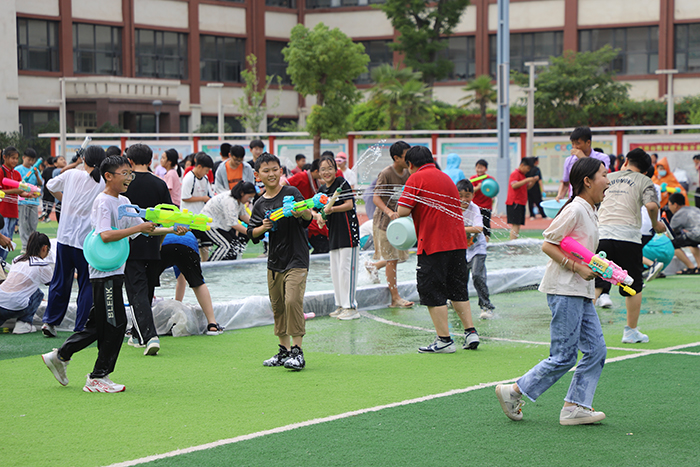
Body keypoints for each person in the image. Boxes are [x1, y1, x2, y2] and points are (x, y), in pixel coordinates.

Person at [495, 157, 609, 426]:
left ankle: (575, 407)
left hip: (580, 290)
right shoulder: (575, 210)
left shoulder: (591, 209)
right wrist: (577, 268)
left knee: (596, 350)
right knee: (564, 355)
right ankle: (514, 391)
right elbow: (548, 244)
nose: (608, 180)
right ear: (587, 181)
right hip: (565, 289)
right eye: (604, 175)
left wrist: (596, 266)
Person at [41, 155, 168, 393]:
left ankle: (60, 356)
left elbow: (143, 230)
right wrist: (138, 227)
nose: (129, 178)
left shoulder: (124, 200)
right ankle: (98, 376)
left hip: (115, 269)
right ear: (108, 176)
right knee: (115, 323)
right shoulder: (103, 202)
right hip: (103, 271)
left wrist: (174, 230)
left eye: (130, 173)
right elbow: (105, 235)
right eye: (125, 173)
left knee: (99, 324)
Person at [397, 146, 480, 353]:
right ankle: (470, 332)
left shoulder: (416, 178)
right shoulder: (445, 178)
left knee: (432, 290)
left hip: (433, 243)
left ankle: (444, 340)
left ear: (410, 164)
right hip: (458, 243)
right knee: (457, 288)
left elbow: (402, 211)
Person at [246, 153, 312, 371]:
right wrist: (263, 228)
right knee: (278, 306)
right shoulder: (259, 203)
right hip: (275, 260)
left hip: (297, 257)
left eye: (275, 169)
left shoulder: (291, 193)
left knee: (293, 301)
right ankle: (283, 351)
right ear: (257, 175)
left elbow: (308, 216)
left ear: (281, 171)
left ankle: (297, 352)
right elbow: (252, 233)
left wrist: (299, 212)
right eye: (266, 171)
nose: (271, 174)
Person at [594, 148, 665, 344]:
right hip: (628, 237)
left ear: (626, 161)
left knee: (596, 282)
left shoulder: (609, 176)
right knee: (632, 285)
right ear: (645, 170)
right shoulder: (645, 181)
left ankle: (583, 329)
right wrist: (656, 223)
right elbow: (651, 206)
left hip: (601, 235)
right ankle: (631, 331)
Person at [41, 146, 107, 337]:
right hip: (87, 242)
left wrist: (65, 201)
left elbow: (50, 186)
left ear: (84, 159)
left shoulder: (71, 175)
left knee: (60, 280)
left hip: (65, 237)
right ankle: (81, 326)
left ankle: (50, 321)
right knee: (87, 283)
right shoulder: (102, 182)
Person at [123, 144, 174, 355]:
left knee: (136, 293)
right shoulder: (159, 184)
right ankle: (137, 334)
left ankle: (149, 335)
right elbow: (168, 216)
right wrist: (159, 241)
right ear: (150, 160)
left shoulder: (125, 184)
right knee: (147, 291)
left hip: (130, 245)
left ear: (130, 161)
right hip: (153, 245)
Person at [368, 140, 413, 308]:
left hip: (401, 223)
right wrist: (389, 212)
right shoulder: (386, 173)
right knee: (392, 259)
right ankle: (395, 298)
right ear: (396, 158)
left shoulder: (409, 173)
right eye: (405, 156)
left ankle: (373, 266)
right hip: (385, 222)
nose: (409, 159)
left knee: (397, 258)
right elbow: (376, 197)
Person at [315, 154, 361, 320]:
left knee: (346, 269)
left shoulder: (341, 183)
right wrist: (319, 216)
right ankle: (341, 305)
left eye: (330, 168)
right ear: (318, 172)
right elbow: (316, 209)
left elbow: (349, 204)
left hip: (348, 233)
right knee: (335, 270)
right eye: (323, 169)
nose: (326, 172)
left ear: (336, 170)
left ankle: (351, 307)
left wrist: (332, 209)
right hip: (333, 233)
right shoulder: (321, 190)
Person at [157, 231, 223, 335]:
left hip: (163, 242)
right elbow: (181, 280)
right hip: (188, 244)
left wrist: (176, 307)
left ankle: (141, 325)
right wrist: (177, 305)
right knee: (198, 283)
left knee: (147, 282)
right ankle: (212, 323)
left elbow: (181, 282)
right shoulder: (187, 231)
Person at [456, 179, 496, 320]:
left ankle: (486, 306)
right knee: (459, 278)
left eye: (467, 195)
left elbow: (479, 228)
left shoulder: (474, 209)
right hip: (462, 249)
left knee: (477, 275)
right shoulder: (453, 208)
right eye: (460, 195)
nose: (463, 199)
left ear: (472, 195)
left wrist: (459, 229)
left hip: (478, 248)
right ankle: (456, 302)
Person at [0, 232, 53, 334]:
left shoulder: (17, 259)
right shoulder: (42, 265)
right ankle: (24, 323)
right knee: (38, 294)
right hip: (14, 307)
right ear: (44, 248)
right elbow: (53, 284)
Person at [202, 181, 254, 261]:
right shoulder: (230, 201)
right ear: (242, 193)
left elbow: (243, 215)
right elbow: (233, 224)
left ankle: (229, 266)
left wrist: (257, 224)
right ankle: (210, 266)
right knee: (225, 246)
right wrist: (251, 232)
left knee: (235, 246)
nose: (249, 200)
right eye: (249, 197)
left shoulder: (238, 200)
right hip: (209, 225)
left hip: (220, 225)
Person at [555, 127, 610, 201]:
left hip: (597, 200)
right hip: (575, 200)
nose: (574, 147)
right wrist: (560, 196)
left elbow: (601, 175)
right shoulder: (569, 160)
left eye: (578, 143)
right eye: (573, 143)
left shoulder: (602, 158)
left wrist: (583, 158)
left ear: (588, 143)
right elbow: (565, 183)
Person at [0, 147, 32, 261]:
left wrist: (30, 195)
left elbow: (20, 192)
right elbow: (1, 192)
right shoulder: (1, 171)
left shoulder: (17, 174)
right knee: (3, 239)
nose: (15, 161)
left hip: (13, 211)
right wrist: (15, 191)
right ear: (4, 157)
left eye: (16, 158)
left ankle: (2, 264)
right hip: (2, 212)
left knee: (9, 240)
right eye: (12, 158)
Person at [181, 152, 214, 261]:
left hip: (201, 217)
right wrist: (203, 198)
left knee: (205, 245)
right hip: (190, 218)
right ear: (199, 167)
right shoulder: (189, 178)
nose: (207, 172)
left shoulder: (204, 179)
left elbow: (209, 195)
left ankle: (206, 264)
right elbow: (185, 197)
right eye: (206, 170)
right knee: (194, 245)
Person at [16, 148, 43, 251]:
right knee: (23, 223)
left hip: (34, 201)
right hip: (22, 200)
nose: (31, 162)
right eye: (29, 159)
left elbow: (40, 183)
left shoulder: (35, 170)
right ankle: (24, 246)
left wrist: (36, 174)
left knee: (33, 223)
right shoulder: (18, 169)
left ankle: (32, 245)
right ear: (23, 158)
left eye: (32, 160)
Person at [667, 193, 700, 274]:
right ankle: (699, 267)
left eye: (669, 205)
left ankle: (690, 267)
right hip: (696, 234)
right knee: (692, 243)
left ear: (675, 205)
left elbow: (670, 233)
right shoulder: (695, 209)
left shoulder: (678, 214)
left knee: (671, 244)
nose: (669, 207)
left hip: (696, 235)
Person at [506, 157, 538, 240]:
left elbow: (526, 187)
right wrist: (527, 180)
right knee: (515, 225)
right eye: (527, 168)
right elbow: (514, 185)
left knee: (518, 225)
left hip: (521, 202)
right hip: (514, 202)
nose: (528, 171)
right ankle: (512, 242)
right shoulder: (515, 174)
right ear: (522, 165)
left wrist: (533, 181)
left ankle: (514, 241)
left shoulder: (522, 175)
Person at [470, 159, 495, 241]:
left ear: (486, 169)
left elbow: (494, 190)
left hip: (487, 206)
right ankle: (474, 242)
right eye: (478, 167)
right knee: (474, 224)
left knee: (486, 224)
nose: (479, 169)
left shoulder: (490, 179)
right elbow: (471, 190)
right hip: (475, 206)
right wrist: (479, 186)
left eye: (482, 168)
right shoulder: (473, 178)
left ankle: (485, 242)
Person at [40, 156, 56, 222]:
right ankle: (47, 215)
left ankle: (44, 210)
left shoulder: (45, 170)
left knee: (44, 200)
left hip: (46, 187)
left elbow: (42, 177)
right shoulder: (55, 170)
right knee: (51, 202)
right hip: (53, 188)